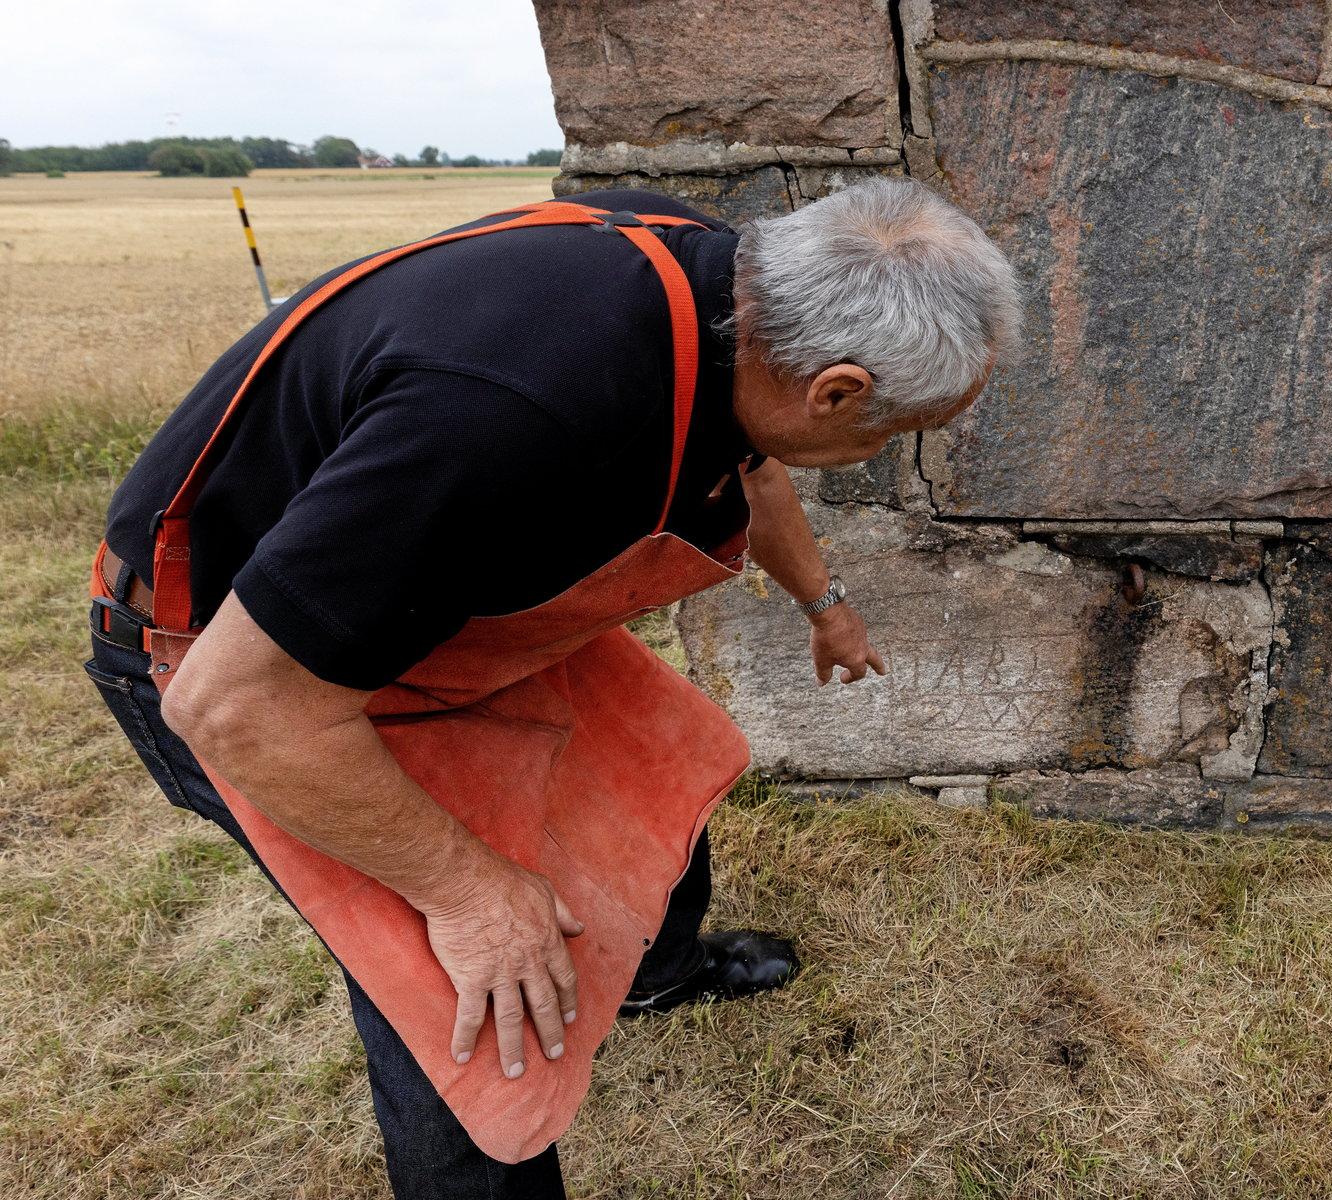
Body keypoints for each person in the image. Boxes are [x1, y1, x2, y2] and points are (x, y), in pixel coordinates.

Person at [83, 177, 1020, 1197]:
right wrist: (470, 893)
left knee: (661, 765)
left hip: (440, 612)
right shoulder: (507, 418)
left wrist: (826, 605)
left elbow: (750, 461)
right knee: (459, 998)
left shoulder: (735, 292)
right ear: (835, 389)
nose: (876, 450)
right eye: (888, 430)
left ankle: (659, 974)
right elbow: (239, 708)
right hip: (239, 661)